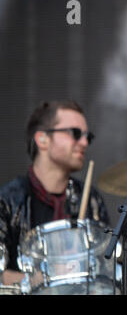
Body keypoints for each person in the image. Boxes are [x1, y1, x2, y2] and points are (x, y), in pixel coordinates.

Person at [0, 100, 109, 289]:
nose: (84, 142)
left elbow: (106, 268)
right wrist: (43, 279)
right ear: (42, 139)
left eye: (87, 136)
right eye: (75, 133)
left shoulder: (90, 199)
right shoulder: (8, 201)